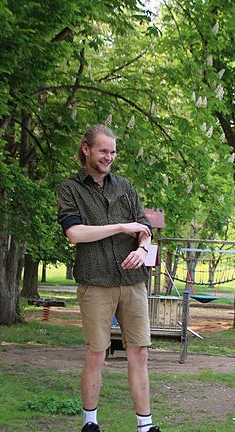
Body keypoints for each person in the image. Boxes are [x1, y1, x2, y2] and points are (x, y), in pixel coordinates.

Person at [56, 125, 161, 432]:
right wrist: (119, 227)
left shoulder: (125, 186)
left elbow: (144, 230)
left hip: (133, 282)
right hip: (95, 283)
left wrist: (143, 249)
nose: (109, 157)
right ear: (86, 149)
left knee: (139, 352)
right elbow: (74, 233)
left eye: (113, 152)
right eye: (103, 151)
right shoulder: (70, 189)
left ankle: (145, 426)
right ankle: (90, 423)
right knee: (96, 353)